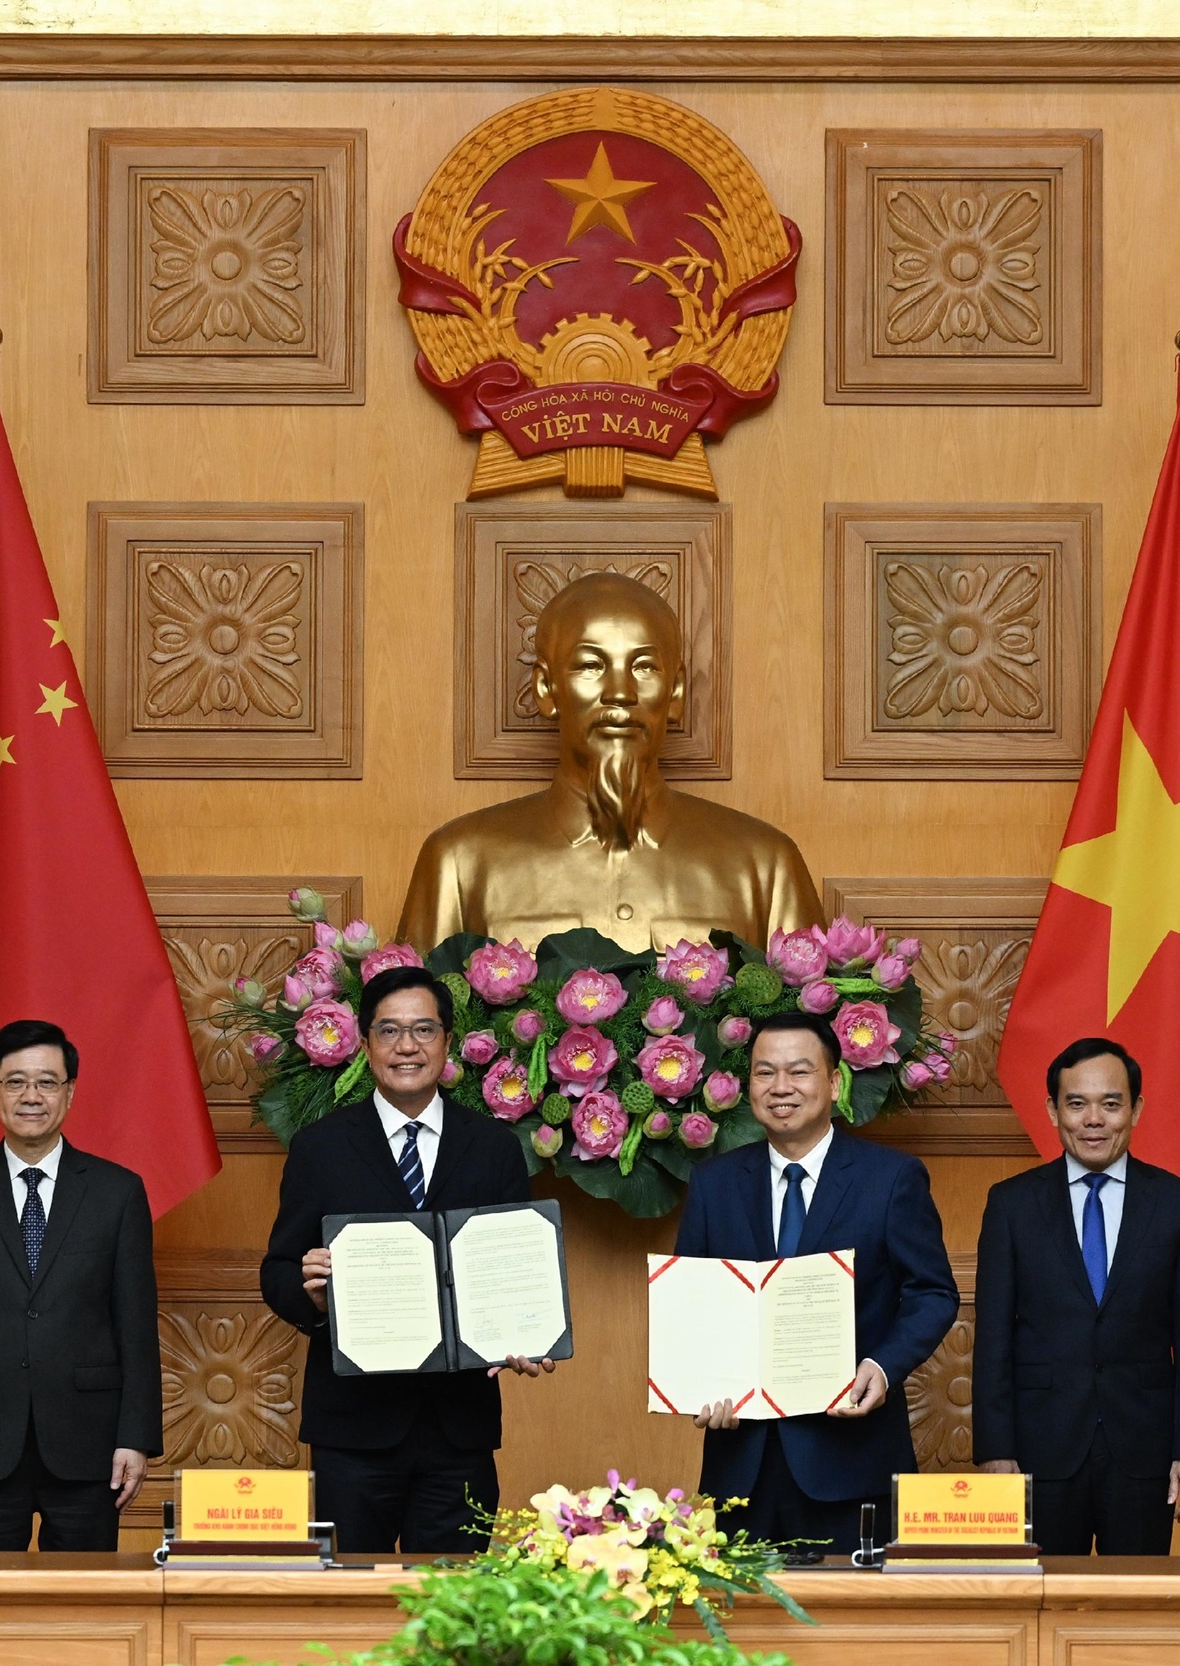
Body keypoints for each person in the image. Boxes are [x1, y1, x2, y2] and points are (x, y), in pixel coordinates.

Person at [259, 965, 556, 1555]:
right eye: (389, 1031)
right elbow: (278, 1271)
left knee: (453, 1600)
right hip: (354, 1430)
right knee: (349, 1597)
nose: (407, 1046)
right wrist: (313, 1298)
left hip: (459, 1430)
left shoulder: (494, 1147)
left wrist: (527, 1332)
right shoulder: (321, 1147)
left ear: (448, 1042)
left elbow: (516, 1269)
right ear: (365, 1043)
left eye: (423, 1030)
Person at [397, 572, 820, 952]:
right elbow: (414, 1010)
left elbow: (811, 1012)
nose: (620, 692)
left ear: (675, 693)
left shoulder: (766, 866)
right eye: (591, 665)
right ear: (545, 688)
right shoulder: (459, 863)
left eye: (644, 667)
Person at [676, 1011, 959, 1558]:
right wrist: (698, 1385)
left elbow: (933, 1293)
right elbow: (692, 1305)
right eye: (764, 1072)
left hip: (852, 1461)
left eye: (799, 1071)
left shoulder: (890, 1178)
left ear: (833, 1082)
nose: (780, 1087)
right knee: (740, 1613)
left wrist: (882, 1366)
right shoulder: (713, 1184)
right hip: (742, 1465)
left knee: (852, 1613)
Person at [0, 1019, 161, 1551]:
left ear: (70, 1092)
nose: (31, 1096)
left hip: (89, 1445)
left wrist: (136, 1438)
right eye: (16, 1082)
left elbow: (136, 1326)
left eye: (47, 1082)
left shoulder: (117, 1192)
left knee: (83, 1597)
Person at [971, 1037, 1180, 1555]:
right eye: (1076, 1104)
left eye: (1110, 1104)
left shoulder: (1178, 1204)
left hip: (1144, 1451)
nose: (1093, 1120)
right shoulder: (1011, 1205)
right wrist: (995, 1449)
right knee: (1043, 1598)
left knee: (1137, 1600)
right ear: (1053, 1111)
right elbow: (993, 1339)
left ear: (1136, 1109)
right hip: (1040, 1448)